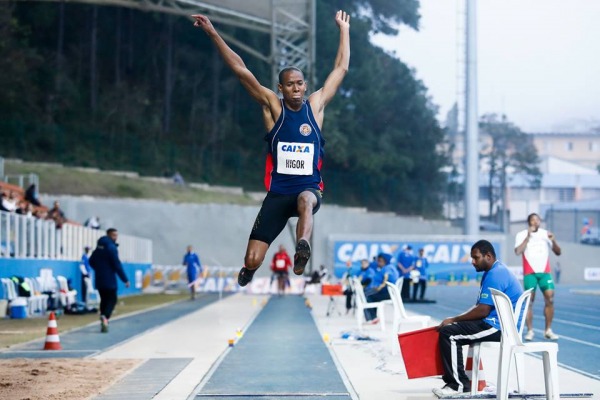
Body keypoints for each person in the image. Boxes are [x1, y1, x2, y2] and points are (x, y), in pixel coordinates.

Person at [192, 10, 350, 287]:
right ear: (281, 88)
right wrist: (212, 33)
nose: (297, 89)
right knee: (253, 257)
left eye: (300, 83)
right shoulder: (273, 107)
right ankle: (251, 268)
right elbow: (241, 71)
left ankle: (302, 247)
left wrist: (343, 30)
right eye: (290, 85)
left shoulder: (316, 106)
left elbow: (341, 69)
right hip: (278, 193)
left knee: (307, 201)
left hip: (308, 187)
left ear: (306, 85)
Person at [433, 240, 522, 397]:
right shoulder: (494, 271)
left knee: (450, 334)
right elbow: (479, 308)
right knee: (452, 328)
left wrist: (454, 319)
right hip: (499, 323)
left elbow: (482, 311)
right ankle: (455, 380)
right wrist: (456, 319)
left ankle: (457, 386)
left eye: (476, 258)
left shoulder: (495, 274)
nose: (473, 262)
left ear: (488, 256)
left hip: (500, 328)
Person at [514, 212, 561, 341]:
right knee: (529, 302)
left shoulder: (546, 234)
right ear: (528, 222)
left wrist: (553, 240)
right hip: (530, 273)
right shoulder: (521, 234)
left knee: (550, 299)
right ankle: (530, 331)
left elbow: (558, 252)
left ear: (540, 221)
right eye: (533, 220)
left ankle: (548, 330)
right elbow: (518, 251)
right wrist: (528, 237)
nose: (535, 222)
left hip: (545, 273)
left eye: (537, 219)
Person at [89, 228, 130, 333]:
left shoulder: (98, 248)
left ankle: (103, 317)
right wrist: (125, 279)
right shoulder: (111, 248)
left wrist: (99, 269)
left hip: (99, 278)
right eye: (113, 235)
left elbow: (91, 261)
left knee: (103, 299)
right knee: (112, 299)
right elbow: (117, 265)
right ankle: (105, 317)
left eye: (116, 235)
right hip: (109, 278)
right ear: (108, 235)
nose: (115, 238)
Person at [364, 253, 399, 324]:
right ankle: (373, 317)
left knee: (367, 296)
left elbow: (386, 277)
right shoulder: (389, 267)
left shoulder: (387, 268)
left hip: (387, 293)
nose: (378, 262)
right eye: (378, 260)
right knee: (370, 295)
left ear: (385, 261)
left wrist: (379, 287)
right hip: (389, 292)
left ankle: (371, 318)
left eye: (380, 261)